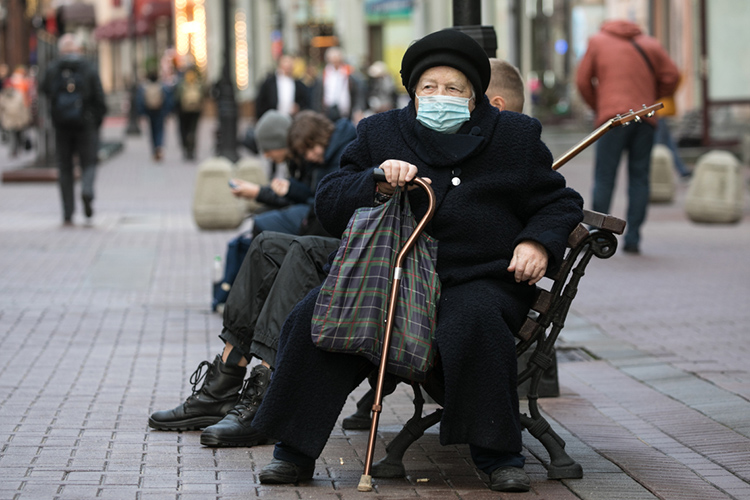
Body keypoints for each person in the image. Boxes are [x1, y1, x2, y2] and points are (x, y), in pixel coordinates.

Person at [249, 29, 584, 493]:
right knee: (314, 318)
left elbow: (559, 202)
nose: (439, 96)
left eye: (453, 88)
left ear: (474, 96)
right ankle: (293, 450)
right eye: (429, 87)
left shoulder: (515, 136)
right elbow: (328, 201)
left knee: (475, 321)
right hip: (392, 275)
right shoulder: (379, 131)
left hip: (478, 276)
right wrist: (376, 180)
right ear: (413, 91)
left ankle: (499, 455)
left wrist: (537, 243)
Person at [576, 19, 679, 254]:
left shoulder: (597, 42)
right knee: (639, 177)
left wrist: (599, 105)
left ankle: (597, 235)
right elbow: (672, 75)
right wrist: (652, 98)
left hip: (612, 120)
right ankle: (633, 238)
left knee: (604, 177)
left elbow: (582, 80)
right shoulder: (651, 44)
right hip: (644, 119)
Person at [39, 34, 107, 225]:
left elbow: (43, 89)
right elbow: (100, 98)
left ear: (61, 51)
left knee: (65, 167)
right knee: (89, 162)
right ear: (78, 49)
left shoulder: (54, 68)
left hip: (61, 126)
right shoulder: (88, 67)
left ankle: (68, 212)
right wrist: (95, 121)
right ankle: (87, 189)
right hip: (86, 125)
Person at [254, 54, 310, 120]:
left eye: (290, 63)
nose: (288, 66)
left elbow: (305, 102)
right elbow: (261, 102)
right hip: (273, 119)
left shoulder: (299, 85)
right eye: (286, 62)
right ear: (280, 64)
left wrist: (298, 107)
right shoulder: (269, 83)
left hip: (292, 119)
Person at [320, 47, 364, 123]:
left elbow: (358, 92)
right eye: (333, 59)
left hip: (346, 111)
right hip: (328, 111)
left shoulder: (350, 72)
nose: (335, 62)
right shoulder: (323, 74)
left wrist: (358, 109)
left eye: (337, 59)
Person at [138, 69, 173, 161]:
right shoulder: (162, 87)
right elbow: (168, 100)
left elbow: (141, 101)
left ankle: (154, 149)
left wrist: (142, 113)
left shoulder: (145, 87)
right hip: (160, 112)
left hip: (150, 112)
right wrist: (167, 112)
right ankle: (159, 146)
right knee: (160, 130)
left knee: (152, 131)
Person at [1, 65, 33, 157]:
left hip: (16, 119)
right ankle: (14, 150)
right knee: (13, 136)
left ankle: (16, 149)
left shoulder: (17, 94)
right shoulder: (5, 96)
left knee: (18, 135)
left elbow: (23, 107)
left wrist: (26, 117)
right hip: (12, 119)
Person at [175, 65, 204, 160]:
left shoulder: (181, 82)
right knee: (193, 130)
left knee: (184, 130)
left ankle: (186, 148)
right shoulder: (198, 83)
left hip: (183, 111)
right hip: (195, 111)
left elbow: (177, 96)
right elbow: (202, 96)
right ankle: (191, 150)